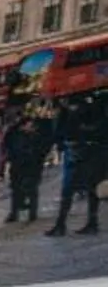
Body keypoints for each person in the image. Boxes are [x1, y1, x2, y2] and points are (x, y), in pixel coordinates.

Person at [50, 91, 103, 236]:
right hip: (83, 151)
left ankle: (63, 224)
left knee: (71, 189)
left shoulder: (77, 111)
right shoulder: (91, 107)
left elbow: (61, 132)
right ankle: (88, 222)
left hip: (80, 152)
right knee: (88, 188)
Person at [3, 108, 48, 223]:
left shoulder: (36, 135)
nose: (31, 127)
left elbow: (42, 149)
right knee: (16, 190)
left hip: (32, 167)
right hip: (18, 166)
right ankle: (14, 212)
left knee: (32, 190)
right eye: (29, 125)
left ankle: (32, 213)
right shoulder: (14, 134)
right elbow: (8, 146)